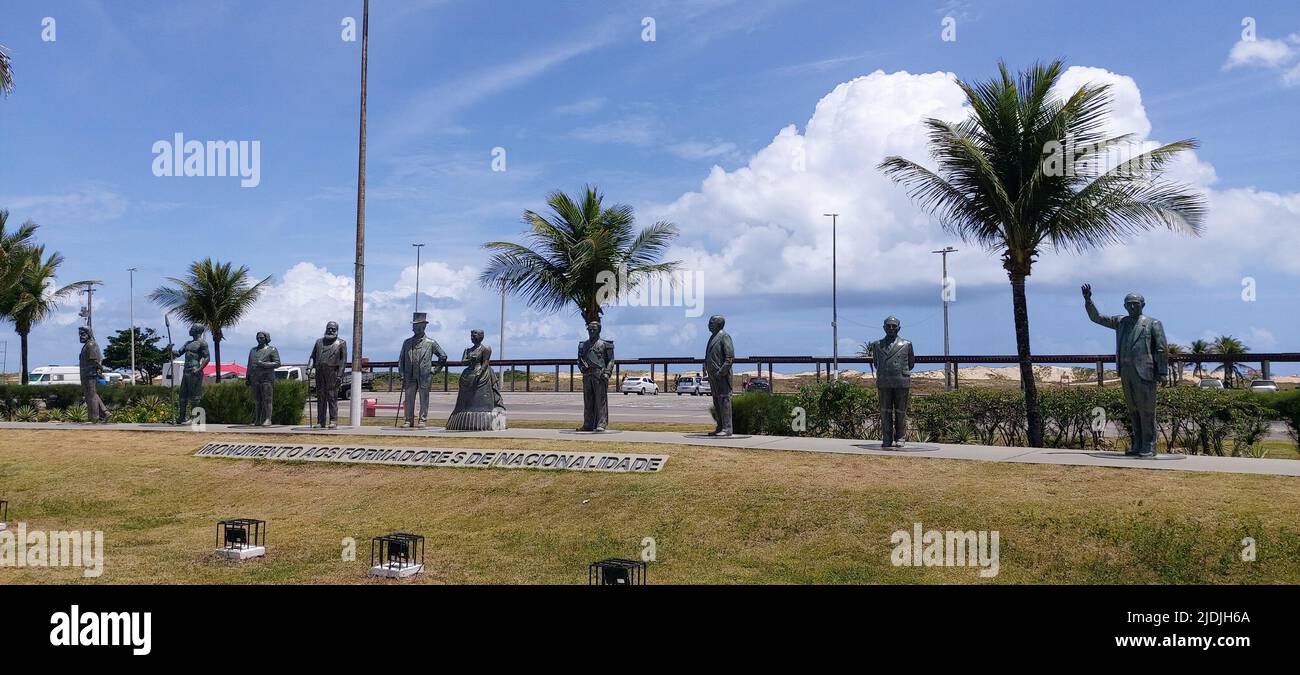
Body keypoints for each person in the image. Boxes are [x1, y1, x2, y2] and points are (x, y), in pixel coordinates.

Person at [1082, 284, 1167, 457]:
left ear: (1143, 305)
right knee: (1133, 409)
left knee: (1147, 410)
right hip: (1126, 372)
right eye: (1129, 304)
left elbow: (1161, 349)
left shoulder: (1152, 324)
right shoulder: (1120, 322)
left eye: (1135, 303)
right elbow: (1096, 317)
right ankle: (1137, 443)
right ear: (1124, 306)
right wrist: (1088, 300)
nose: (1132, 306)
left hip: (1145, 373)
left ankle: (1149, 445)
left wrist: (1163, 372)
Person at [865, 316, 915, 448]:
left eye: (894, 326)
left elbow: (911, 363)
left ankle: (900, 437)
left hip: (901, 381)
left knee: (900, 411)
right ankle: (886, 438)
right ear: (884, 328)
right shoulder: (876, 345)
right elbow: (876, 363)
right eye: (888, 326)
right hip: (884, 381)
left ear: (899, 328)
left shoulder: (907, 344)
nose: (891, 328)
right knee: (885, 411)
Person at [446, 329, 505, 430]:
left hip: (481, 372)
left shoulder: (486, 348)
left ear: (481, 337)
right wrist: (470, 360)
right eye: (471, 335)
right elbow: (463, 362)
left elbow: (486, 361)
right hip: (468, 373)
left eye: (475, 335)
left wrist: (480, 372)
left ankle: (486, 416)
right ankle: (462, 414)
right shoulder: (468, 350)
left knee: (483, 395)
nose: (472, 337)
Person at [397, 312, 447, 428]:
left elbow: (443, 356)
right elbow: (401, 360)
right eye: (414, 326)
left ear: (424, 327)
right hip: (410, 376)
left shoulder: (431, 343)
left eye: (418, 326)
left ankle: (422, 419)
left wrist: (435, 370)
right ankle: (408, 420)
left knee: (424, 398)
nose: (415, 328)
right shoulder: (407, 343)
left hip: (424, 376)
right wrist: (401, 374)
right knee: (409, 398)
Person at [307, 321, 347, 429]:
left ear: (337, 330)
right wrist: (309, 367)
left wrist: (340, 375)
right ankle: (320, 421)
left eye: (333, 329)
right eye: (329, 328)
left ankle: (333, 420)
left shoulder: (341, 343)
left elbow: (343, 361)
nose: (330, 330)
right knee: (321, 397)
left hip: (332, 373)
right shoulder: (319, 342)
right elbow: (312, 356)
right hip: (320, 372)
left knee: (332, 397)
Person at [168, 325, 210, 425]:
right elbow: (178, 353)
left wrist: (199, 369)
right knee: (182, 396)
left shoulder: (202, 343)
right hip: (186, 371)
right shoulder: (188, 343)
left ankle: (196, 419)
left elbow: (207, 357)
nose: (190, 330)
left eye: (192, 329)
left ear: (197, 331)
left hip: (194, 371)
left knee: (195, 397)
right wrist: (171, 350)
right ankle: (182, 417)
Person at [577, 320, 614, 432]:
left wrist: (607, 373)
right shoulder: (583, 345)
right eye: (590, 329)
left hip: (599, 375)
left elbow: (611, 360)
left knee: (600, 400)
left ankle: (601, 423)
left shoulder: (605, 344)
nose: (591, 331)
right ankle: (588, 424)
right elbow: (579, 360)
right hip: (587, 375)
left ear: (599, 330)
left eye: (594, 329)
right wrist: (581, 367)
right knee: (588, 401)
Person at [703, 315, 735, 436]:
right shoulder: (712, 337)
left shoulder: (724, 336)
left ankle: (727, 429)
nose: (709, 325)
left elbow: (729, 358)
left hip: (721, 376)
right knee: (717, 401)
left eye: (711, 323)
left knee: (724, 400)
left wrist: (721, 372)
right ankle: (720, 426)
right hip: (713, 377)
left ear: (719, 324)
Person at [246, 331, 281, 426]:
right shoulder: (253, 350)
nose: (259, 339)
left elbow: (277, 363)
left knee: (267, 399)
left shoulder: (272, 349)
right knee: (257, 400)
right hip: (255, 378)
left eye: (261, 337)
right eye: (258, 337)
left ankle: (268, 419)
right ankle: (257, 419)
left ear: (266, 338)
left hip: (267, 378)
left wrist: (264, 364)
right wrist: (247, 377)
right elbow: (249, 365)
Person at [77, 326, 108, 423]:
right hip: (86, 373)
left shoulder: (90, 344)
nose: (81, 336)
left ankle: (94, 418)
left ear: (89, 334)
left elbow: (94, 360)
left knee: (91, 395)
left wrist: (100, 368)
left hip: (90, 373)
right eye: (80, 334)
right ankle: (105, 413)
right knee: (90, 395)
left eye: (83, 334)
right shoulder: (87, 345)